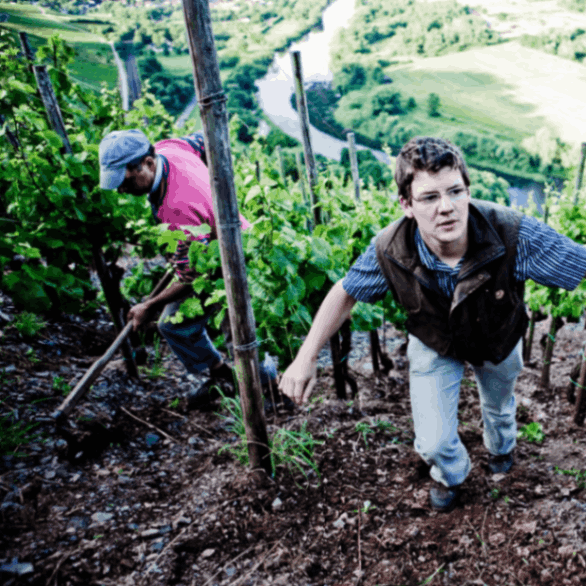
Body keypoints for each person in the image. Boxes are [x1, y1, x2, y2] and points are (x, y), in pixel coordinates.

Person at [279, 136, 586, 511]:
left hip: (498, 336)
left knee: (499, 405)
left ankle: (501, 449)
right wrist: (306, 355)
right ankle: (453, 474)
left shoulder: (513, 233)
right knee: (433, 441)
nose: (447, 208)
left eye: (455, 191)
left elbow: (579, 262)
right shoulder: (389, 249)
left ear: (468, 190)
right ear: (406, 205)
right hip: (434, 339)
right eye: (429, 197)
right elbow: (346, 290)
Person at [98, 129, 276, 408]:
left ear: (148, 162)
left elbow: (193, 279)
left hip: (234, 260)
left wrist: (149, 305)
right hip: (208, 249)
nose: (121, 189)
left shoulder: (177, 210)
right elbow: (204, 139)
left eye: (125, 181)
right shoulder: (169, 148)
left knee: (241, 336)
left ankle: (273, 394)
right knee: (174, 324)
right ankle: (222, 376)